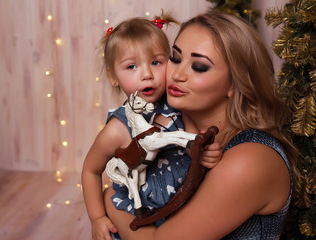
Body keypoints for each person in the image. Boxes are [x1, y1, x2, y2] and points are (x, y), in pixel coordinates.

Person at [104, 11, 301, 239]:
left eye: (198, 67)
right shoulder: (164, 122)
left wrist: (110, 201)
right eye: (175, 58)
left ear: (236, 83)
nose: (177, 74)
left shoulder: (251, 159)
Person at [82, 13, 223, 240]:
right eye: (131, 66)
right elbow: (91, 170)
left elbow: (191, 141)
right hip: (139, 213)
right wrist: (97, 217)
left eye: (156, 62)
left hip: (184, 207)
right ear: (112, 76)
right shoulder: (118, 128)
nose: (147, 74)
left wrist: (205, 153)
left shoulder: (177, 105)